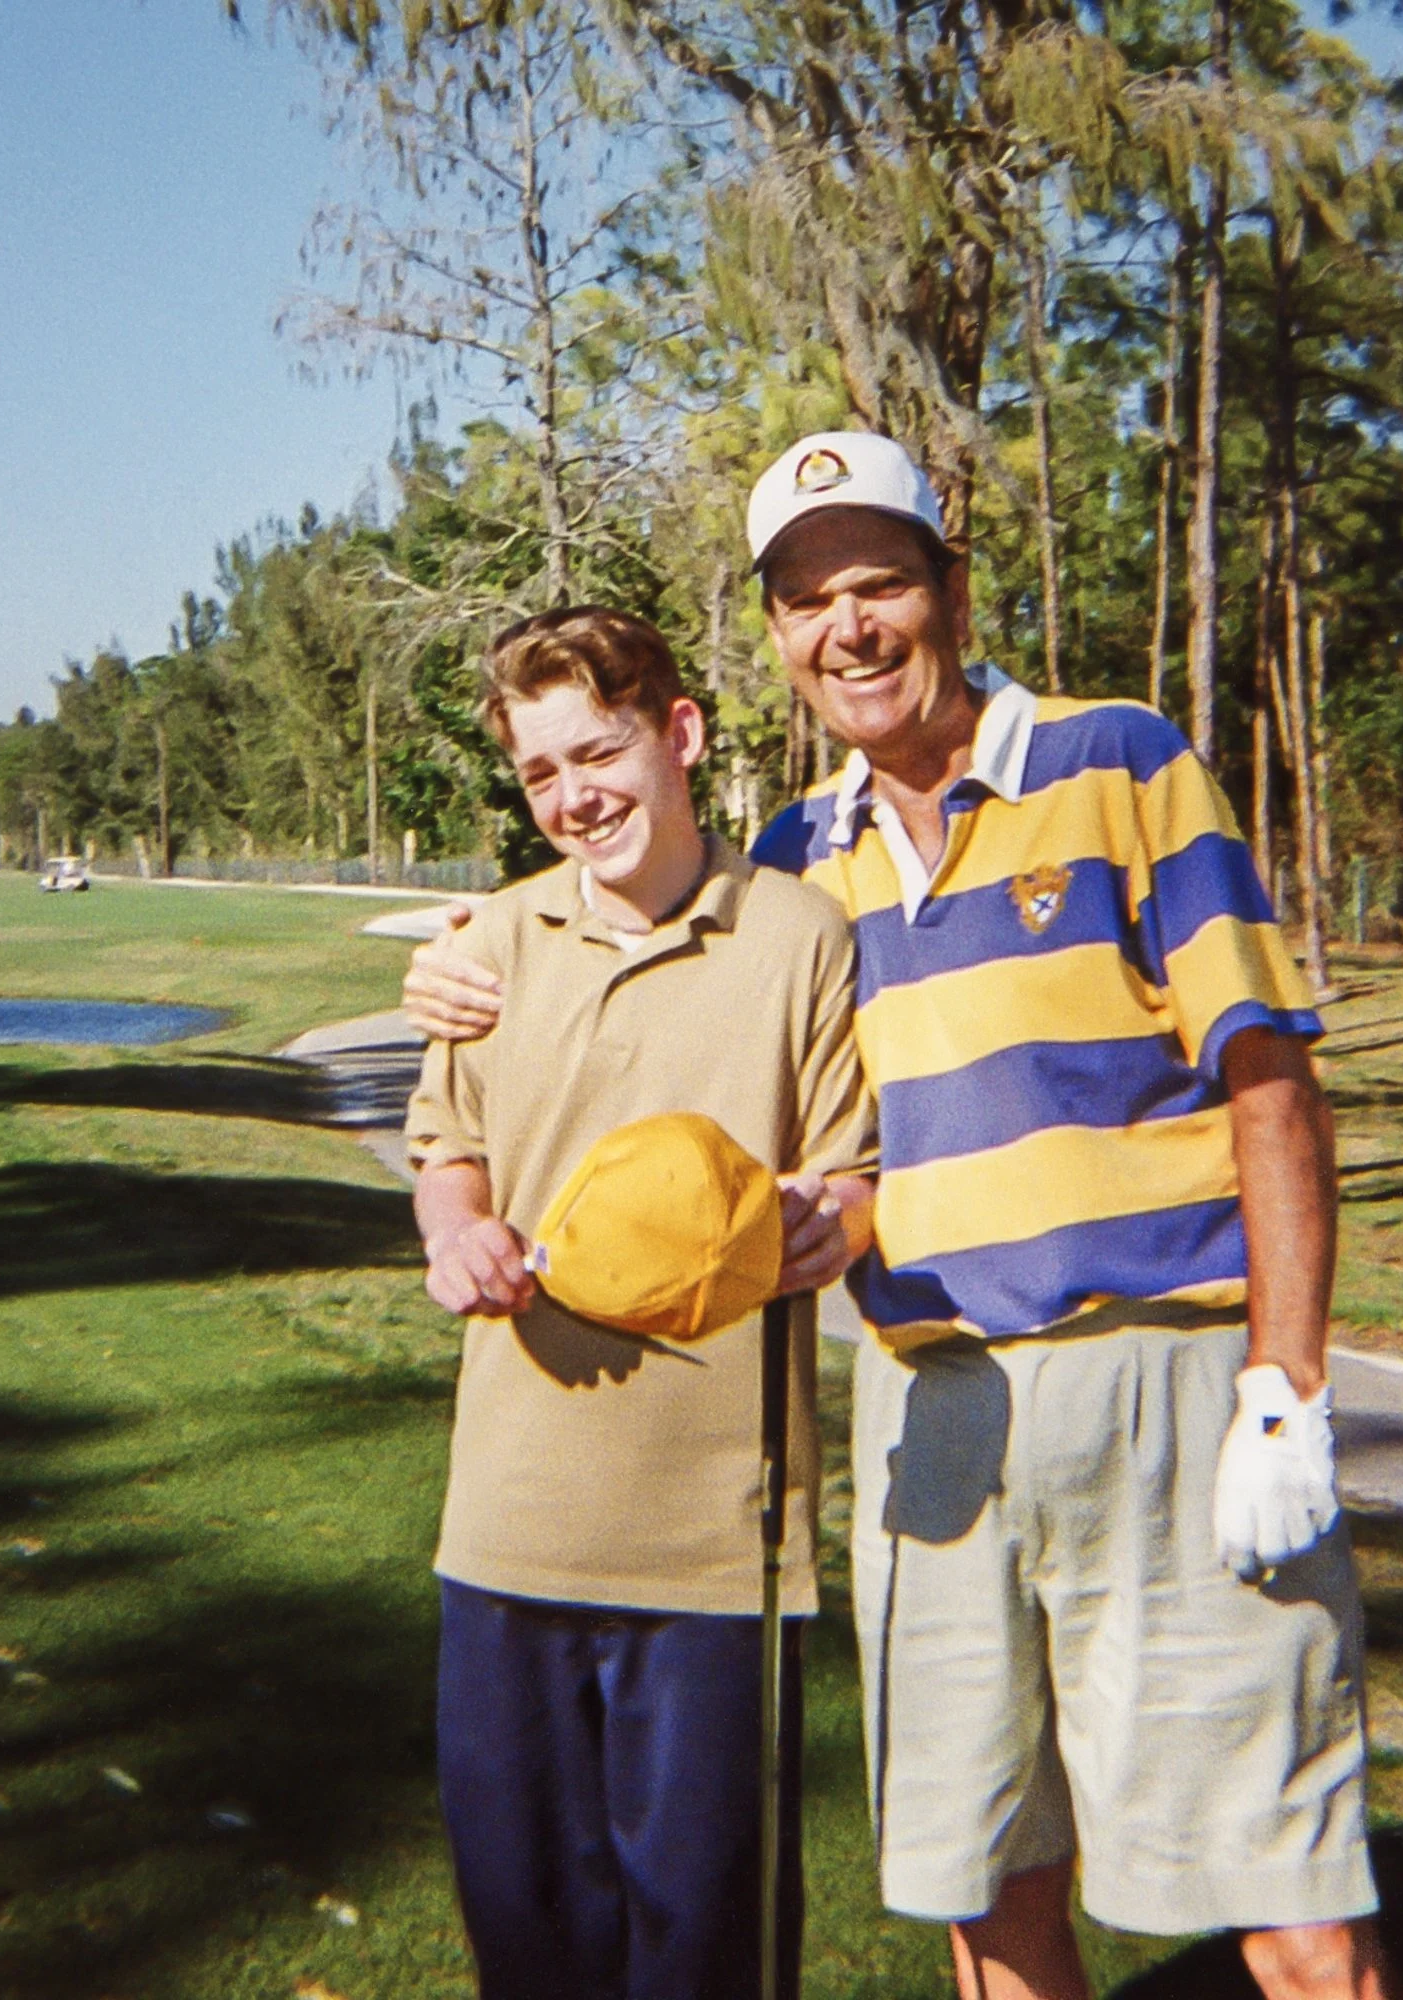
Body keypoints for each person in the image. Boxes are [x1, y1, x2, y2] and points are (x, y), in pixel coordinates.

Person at [403, 440, 1398, 2000]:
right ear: (780, 639)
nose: (848, 628)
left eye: (879, 584)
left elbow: (1268, 1081)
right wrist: (451, 958)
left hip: (1159, 1381)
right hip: (929, 1414)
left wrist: (1288, 1386)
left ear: (947, 588)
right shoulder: (803, 857)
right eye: (809, 601)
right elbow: (623, 909)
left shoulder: (1119, 759)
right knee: (980, 1877)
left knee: (1281, 1887)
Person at [405, 605, 876, 2000]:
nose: (574, 797)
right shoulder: (490, 939)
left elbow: (853, 1179)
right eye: (540, 773)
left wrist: (817, 1228)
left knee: (700, 1954)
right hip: (506, 1527)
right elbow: (448, 1149)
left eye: (596, 751)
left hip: (715, 1552)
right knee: (530, 1945)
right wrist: (455, 1233)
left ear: (676, 734)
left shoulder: (800, 937)